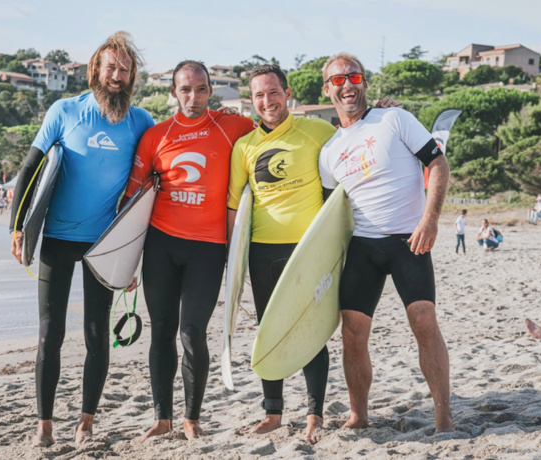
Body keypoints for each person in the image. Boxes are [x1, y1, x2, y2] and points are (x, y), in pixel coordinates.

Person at [9, 31, 154, 447]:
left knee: (96, 333)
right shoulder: (65, 110)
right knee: (49, 332)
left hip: (104, 245)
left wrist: (131, 258)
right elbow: (30, 169)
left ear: (131, 78)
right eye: (111, 67)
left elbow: (148, 188)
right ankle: (45, 424)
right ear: (96, 69)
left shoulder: (140, 121)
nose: (117, 76)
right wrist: (18, 228)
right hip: (56, 235)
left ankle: (86, 421)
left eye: (125, 70)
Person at [319, 52, 454, 432]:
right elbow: (332, 213)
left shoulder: (394, 118)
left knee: (424, 321)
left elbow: (438, 165)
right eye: (338, 79)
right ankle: (359, 415)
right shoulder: (329, 153)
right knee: (352, 331)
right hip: (363, 245)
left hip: (408, 238)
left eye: (354, 76)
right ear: (327, 89)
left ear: (364, 81)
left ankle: (444, 415)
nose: (347, 84)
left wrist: (431, 220)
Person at [124, 60, 255, 442]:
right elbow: (133, 200)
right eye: (185, 89)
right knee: (161, 331)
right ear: (173, 92)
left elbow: (270, 136)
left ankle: (191, 418)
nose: (193, 97)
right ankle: (162, 418)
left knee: (193, 331)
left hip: (208, 248)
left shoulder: (233, 127)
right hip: (161, 245)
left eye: (200, 89)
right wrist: (125, 262)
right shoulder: (154, 136)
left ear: (211, 91)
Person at [226, 64, 338, 444]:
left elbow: (354, 140)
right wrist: (232, 263)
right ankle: (273, 412)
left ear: (287, 93)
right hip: (261, 251)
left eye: (273, 92)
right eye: (259, 95)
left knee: (311, 331)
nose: (267, 101)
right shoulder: (244, 147)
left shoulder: (318, 131)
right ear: (251, 100)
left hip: (307, 250)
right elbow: (233, 207)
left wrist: (383, 109)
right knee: (269, 331)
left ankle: (314, 414)